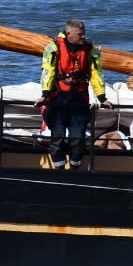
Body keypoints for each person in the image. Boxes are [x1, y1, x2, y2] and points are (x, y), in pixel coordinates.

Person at [37, 18, 111, 170]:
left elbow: (96, 74)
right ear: (69, 34)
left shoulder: (90, 50)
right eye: (80, 34)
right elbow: (48, 72)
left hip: (79, 99)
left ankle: (75, 168)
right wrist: (44, 95)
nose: (83, 37)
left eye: (84, 34)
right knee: (57, 138)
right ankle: (59, 170)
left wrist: (102, 97)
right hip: (58, 99)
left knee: (78, 139)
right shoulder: (54, 48)